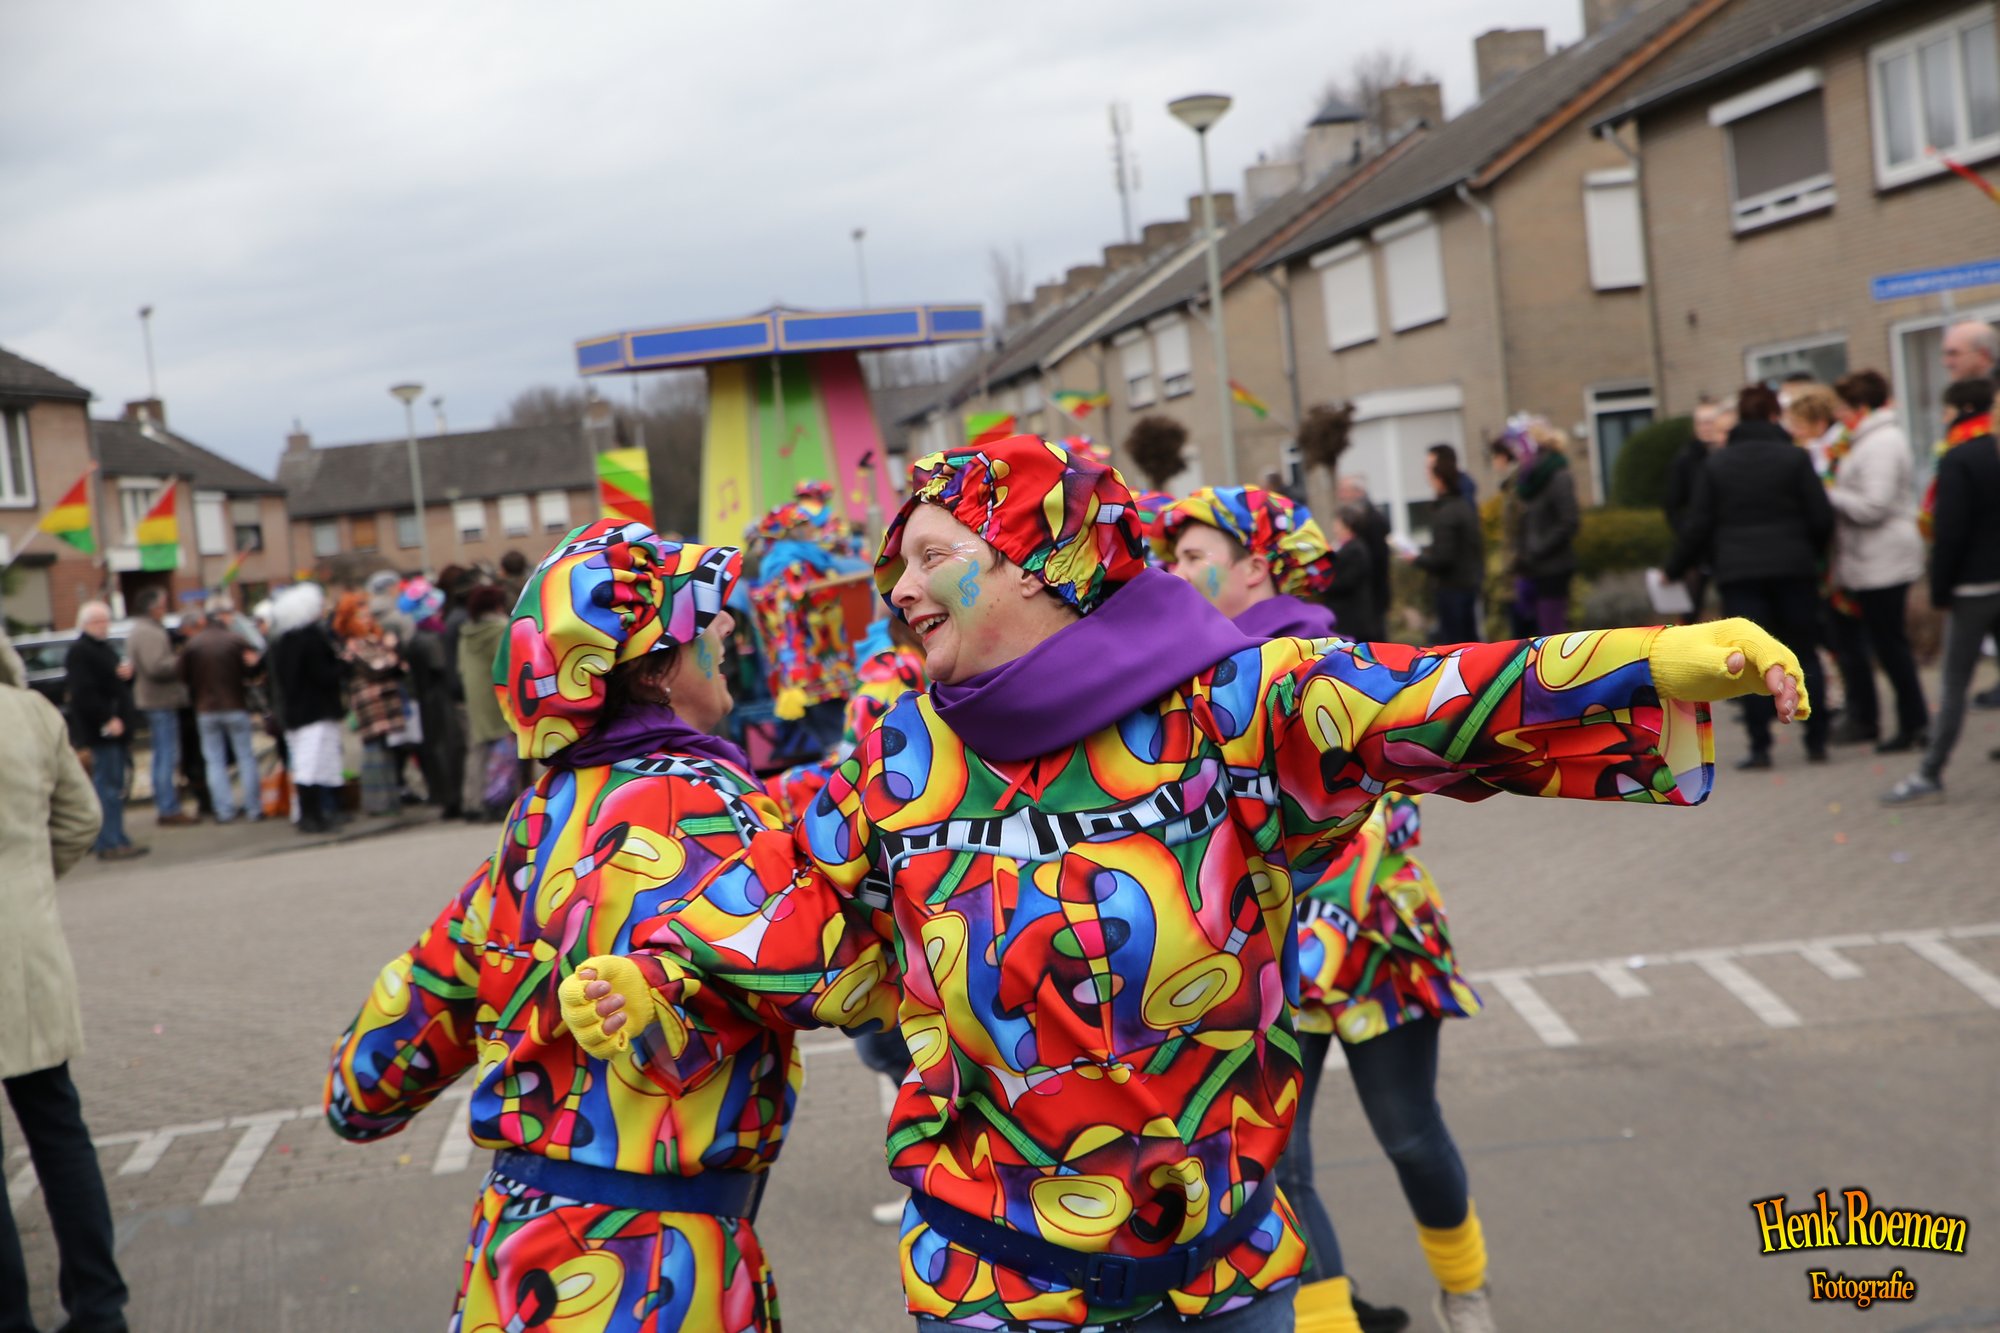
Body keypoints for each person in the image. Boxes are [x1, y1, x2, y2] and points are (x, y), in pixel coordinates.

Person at [560, 437, 1805, 1333]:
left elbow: (1429, 696)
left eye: (932, 554)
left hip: (1227, 1272)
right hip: (998, 1285)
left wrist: (1650, 660)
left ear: (1039, 563)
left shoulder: (1229, 707)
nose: (896, 587)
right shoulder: (898, 758)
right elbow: (776, 908)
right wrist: (653, 981)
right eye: (898, 561)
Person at [326, 521, 798, 1332]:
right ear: (654, 667)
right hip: (659, 1277)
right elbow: (838, 970)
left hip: (516, 1262)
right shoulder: (727, 810)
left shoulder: (536, 821)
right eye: (706, 615)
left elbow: (365, 1084)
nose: (726, 626)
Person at [0, 629, 130, 1333]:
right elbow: (83, 818)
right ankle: (100, 1306)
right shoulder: (31, 713)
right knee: (59, 1130)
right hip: (28, 955)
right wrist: (28, 885)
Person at [1665, 386, 1833, 768]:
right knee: (1804, 650)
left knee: (1750, 658)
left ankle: (1760, 746)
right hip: (1794, 570)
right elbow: (1821, 517)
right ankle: (1816, 738)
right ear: (1775, 416)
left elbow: (1698, 524)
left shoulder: (1718, 464)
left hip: (1739, 573)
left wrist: (1674, 568)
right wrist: (1811, 555)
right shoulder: (1795, 458)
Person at [1884, 379, 2000, 802]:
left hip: (1972, 587)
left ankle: (1930, 771)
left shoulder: (1961, 458)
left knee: (1954, 683)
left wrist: (1940, 589)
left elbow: (1949, 531)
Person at [1829, 371, 1930, 753]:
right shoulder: (1867, 440)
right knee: (1888, 644)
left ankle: (1915, 723)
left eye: (1842, 407)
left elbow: (1874, 506)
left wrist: (1828, 494)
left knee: (1891, 645)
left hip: (1883, 558)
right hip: (1873, 557)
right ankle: (1913, 722)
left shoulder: (1881, 442)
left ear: (1860, 407)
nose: (1837, 415)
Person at [1162, 484, 1338, 640]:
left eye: (1194, 557)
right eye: (1177, 562)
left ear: (1254, 569)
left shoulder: (1308, 661)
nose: (1176, 575)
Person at [62, 603, 146, 861]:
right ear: (85, 624)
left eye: (105, 620)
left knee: (116, 785)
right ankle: (107, 841)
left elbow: (114, 684)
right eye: (97, 621)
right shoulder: (80, 651)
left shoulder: (104, 648)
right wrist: (106, 718)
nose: (103, 626)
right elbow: (83, 692)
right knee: (107, 786)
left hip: (116, 727)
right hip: (101, 730)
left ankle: (118, 836)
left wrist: (127, 676)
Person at [270, 583, 349, 834]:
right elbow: (322, 674)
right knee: (315, 762)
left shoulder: (282, 641)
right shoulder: (311, 638)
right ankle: (313, 815)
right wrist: (344, 666)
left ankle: (312, 815)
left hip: (295, 711)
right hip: (316, 710)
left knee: (307, 763)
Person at [180, 602, 264, 823]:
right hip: (235, 704)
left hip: (205, 709)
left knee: (214, 761)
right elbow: (252, 668)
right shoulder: (235, 640)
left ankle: (224, 810)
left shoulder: (193, 644)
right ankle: (254, 808)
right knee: (246, 757)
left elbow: (182, 676)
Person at [127, 586, 198, 826]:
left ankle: (167, 805)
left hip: (156, 700)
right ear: (153, 608)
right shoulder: (149, 632)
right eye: (163, 605)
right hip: (160, 701)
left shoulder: (144, 629)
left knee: (162, 754)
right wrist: (182, 660)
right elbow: (156, 667)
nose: (165, 609)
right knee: (167, 755)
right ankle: (168, 807)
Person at [1503, 418, 1580, 635]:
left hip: (1552, 569)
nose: (1517, 455)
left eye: (1520, 448)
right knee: (1530, 638)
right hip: (1530, 569)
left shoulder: (1557, 476)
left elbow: (1569, 522)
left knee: (1551, 635)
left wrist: (1537, 548)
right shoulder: (1527, 482)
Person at [333, 593, 405, 817]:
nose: (367, 620)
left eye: (368, 615)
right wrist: (390, 652)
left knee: (384, 750)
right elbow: (377, 667)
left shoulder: (370, 639)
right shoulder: (354, 644)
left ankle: (388, 800)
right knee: (375, 751)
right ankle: (378, 802)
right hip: (371, 704)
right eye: (360, 616)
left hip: (382, 702)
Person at [456, 583, 523, 821]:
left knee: (477, 750)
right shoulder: (500, 629)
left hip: (475, 697)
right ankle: (497, 799)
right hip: (498, 695)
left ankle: (472, 802)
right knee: (504, 751)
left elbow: (461, 667)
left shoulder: (466, 632)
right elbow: (509, 664)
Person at [1409, 445, 1485, 644]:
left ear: (1439, 474)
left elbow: (1444, 558)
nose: (1426, 475)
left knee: (1456, 648)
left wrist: (1417, 559)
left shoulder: (1448, 511)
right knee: (1470, 644)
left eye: (1429, 468)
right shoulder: (1463, 504)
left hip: (1453, 589)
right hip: (1467, 585)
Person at [1325, 505, 1382, 643]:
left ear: (1347, 525)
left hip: (1353, 616)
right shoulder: (1342, 546)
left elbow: (1347, 581)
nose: (1335, 528)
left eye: (1338, 523)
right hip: (1343, 614)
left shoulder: (1356, 549)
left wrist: (1324, 584)